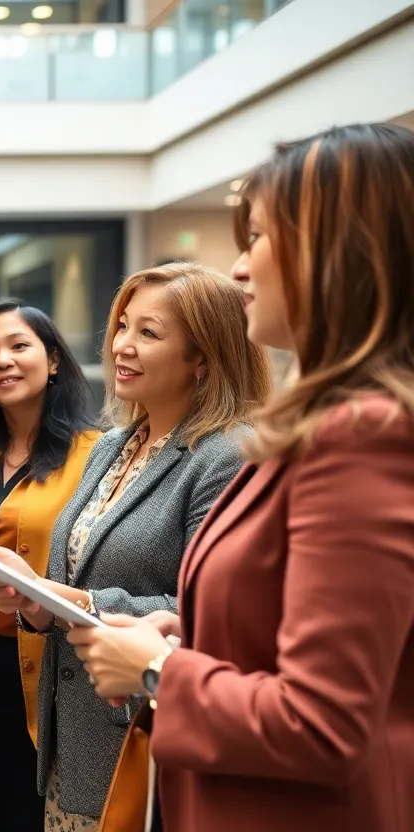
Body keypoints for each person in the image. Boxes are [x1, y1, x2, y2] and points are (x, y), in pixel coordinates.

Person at [69, 122, 414, 832]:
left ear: (338, 253)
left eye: (257, 238)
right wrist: (191, 632)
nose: (239, 269)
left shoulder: (363, 436)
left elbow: (324, 723)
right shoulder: (323, 424)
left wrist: (159, 671)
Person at [0, 261, 271, 829]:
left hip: (150, 738)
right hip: (73, 744)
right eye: (122, 326)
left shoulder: (228, 455)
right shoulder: (115, 446)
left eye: (148, 332)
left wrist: (72, 602)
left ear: (203, 356)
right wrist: (32, 600)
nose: (121, 345)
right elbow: (75, 579)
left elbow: (214, 613)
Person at [0, 300, 99, 832]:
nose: (2, 361)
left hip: (45, 667)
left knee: (23, 813)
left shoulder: (96, 454)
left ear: (53, 360)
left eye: (18, 346)